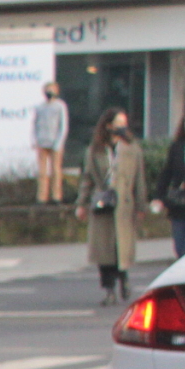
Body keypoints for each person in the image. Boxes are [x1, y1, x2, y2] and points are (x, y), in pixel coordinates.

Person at [79, 108, 146, 305]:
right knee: (104, 251)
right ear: (108, 126)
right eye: (118, 123)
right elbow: (87, 179)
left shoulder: (132, 149)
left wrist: (141, 205)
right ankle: (109, 289)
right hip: (103, 204)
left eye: (124, 122)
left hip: (124, 204)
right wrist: (82, 204)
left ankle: (123, 278)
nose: (122, 127)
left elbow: (139, 180)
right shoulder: (95, 150)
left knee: (121, 248)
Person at [162, 105, 185, 261]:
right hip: (180, 200)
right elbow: (167, 172)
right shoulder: (177, 146)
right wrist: (160, 196)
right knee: (180, 244)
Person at [34, 82, 70, 204]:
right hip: (42, 142)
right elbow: (35, 124)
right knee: (42, 172)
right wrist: (35, 140)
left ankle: (56, 196)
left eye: (51, 90)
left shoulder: (60, 106)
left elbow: (63, 125)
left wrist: (59, 142)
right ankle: (42, 197)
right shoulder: (40, 107)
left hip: (55, 143)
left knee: (56, 171)